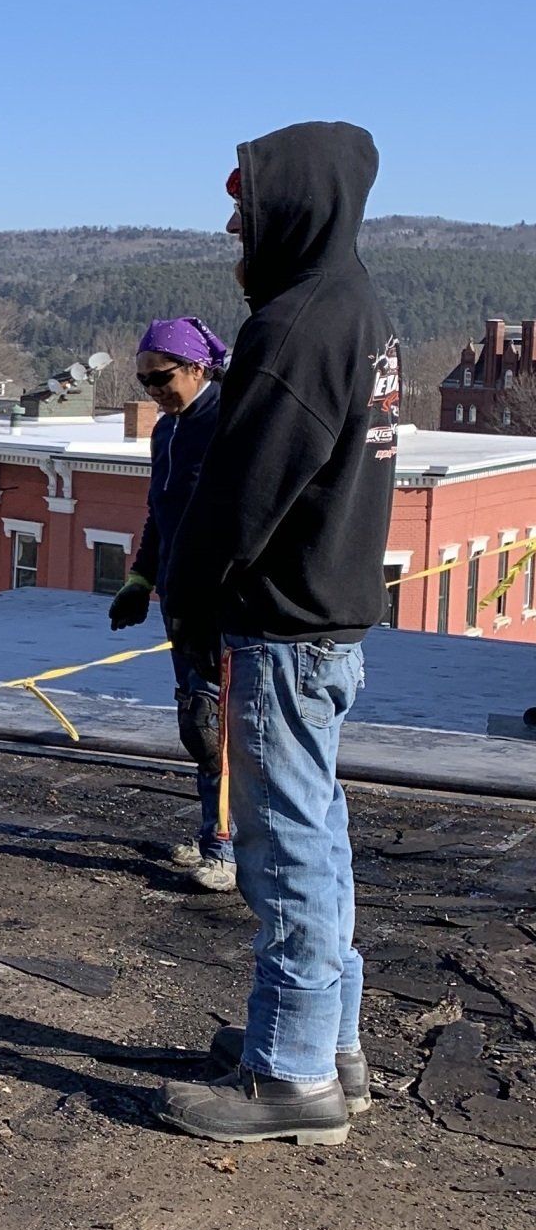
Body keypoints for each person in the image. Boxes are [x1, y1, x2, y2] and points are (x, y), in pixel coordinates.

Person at [156, 123, 399, 1147]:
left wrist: (188, 592)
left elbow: (242, 491)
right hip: (328, 620)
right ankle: (327, 1042)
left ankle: (291, 1076)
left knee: (286, 843)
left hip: (285, 627)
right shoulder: (362, 307)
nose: (232, 222)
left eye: (245, 205)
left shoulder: (296, 323)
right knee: (323, 833)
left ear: (290, 207)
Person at [106, 317, 233, 890]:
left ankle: (229, 849)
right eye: (144, 383)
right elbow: (161, 512)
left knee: (221, 727)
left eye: (161, 378)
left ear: (197, 368)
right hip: (179, 602)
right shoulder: (167, 431)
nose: (154, 392)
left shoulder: (229, 422)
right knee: (196, 722)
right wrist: (140, 578)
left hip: (225, 605)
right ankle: (215, 833)